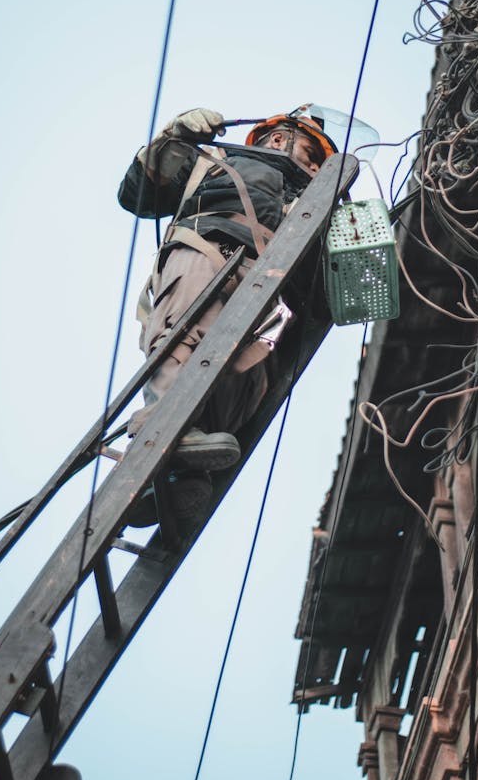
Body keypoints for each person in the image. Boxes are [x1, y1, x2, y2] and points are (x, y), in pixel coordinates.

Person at [118, 107, 337, 525]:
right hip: (210, 251)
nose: (306, 160)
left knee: (246, 374)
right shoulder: (218, 162)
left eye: (310, 154)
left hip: (272, 293)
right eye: (285, 139)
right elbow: (138, 194)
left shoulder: (319, 204)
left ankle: (178, 476)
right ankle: (161, 430)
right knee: (185, 333)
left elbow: (326, 297)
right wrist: (173, 138)